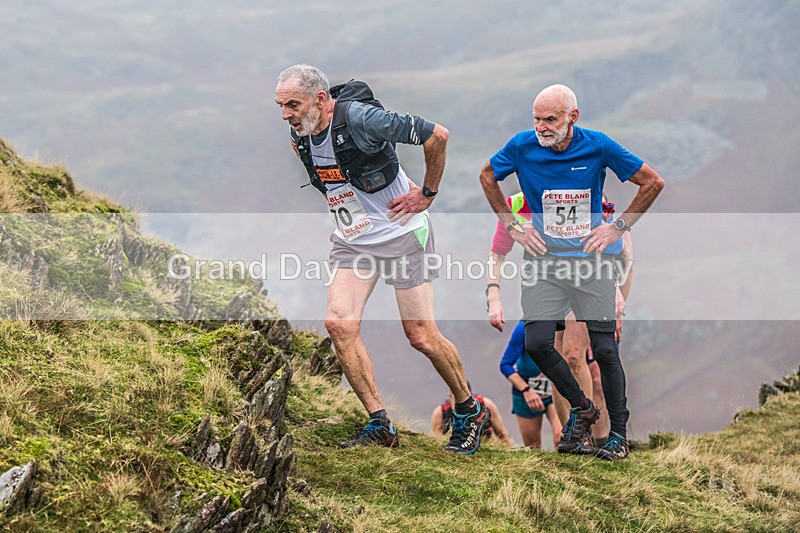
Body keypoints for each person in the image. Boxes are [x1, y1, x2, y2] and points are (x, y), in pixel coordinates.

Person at [276, 64, 489, 454]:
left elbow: (436, 135)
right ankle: (380, 423)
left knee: (421, 335)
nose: (286, 114)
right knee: (338, 324)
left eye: (293, 105)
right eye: (281, 106)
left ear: (321, 99)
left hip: (403, 231)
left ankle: (468, 409)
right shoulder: (300, 133)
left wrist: (427, 192)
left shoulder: (361, 119)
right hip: (355, 239)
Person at [479, 84, 664, 460]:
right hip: (544, 265)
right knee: (537, 344)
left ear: (572, 118)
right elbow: (486, 175)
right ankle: (583, 407)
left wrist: (618, 227)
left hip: (590, 265)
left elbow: (652, 181)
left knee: (605, 351)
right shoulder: (521, 146)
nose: (541, 127)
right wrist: (515, 227)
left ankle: (618, 438)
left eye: (550, 119)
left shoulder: (597, 145)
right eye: (536, 119)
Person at [499, 320, 562, 449]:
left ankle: (563, 468)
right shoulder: (523, 328)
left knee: (561, 438)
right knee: (533, 449)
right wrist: (526, 390)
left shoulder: (565, 325)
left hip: (555, 389)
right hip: (527, 392)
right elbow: (505, 365)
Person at [431, 384, 513, 448]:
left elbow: (502, 433)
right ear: (450, 398)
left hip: (485, 445)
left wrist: (510, 450)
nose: (460, 406)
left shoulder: (486, 405)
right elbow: (437, 440)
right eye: (456, 401)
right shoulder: (440, 413)